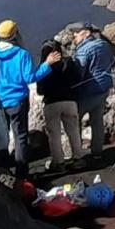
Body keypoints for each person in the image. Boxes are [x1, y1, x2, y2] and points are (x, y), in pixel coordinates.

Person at [0, 20, 60, 183]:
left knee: (1, 135)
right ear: (15, 34)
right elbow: (30, 78)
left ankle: (1, 168)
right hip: (18, 101)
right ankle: (22, 174)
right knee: (20, 137)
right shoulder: (21, 54)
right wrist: (47, 64)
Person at [36, 40, 84, 172]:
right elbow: (77, 79)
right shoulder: (69, 63)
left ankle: (59, 163)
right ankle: (78, 158)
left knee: (54, 135)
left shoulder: (44, 68)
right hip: (70, 101)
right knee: (73, 131)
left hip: (52, 103)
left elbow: (40, 90)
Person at [72, 23, 115, 156]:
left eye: (77, 33)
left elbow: (79, 71)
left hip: (88, 91)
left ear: (86, 34)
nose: (74, 36)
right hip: (104, 88)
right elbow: (111, 61)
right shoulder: (104, 45)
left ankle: (77, 152)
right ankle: (97, 150)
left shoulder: (83, 51)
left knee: (75, 120)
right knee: (97, 120)